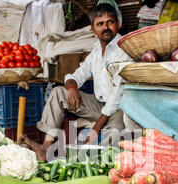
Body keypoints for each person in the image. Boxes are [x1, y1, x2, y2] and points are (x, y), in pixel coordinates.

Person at [22, 3, 133, 161]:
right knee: (59, 92)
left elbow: (117, 96)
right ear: (93, 29)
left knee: (113, 133)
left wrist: (96, 128)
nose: (106, 27)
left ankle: (106, 166)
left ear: (117, 24)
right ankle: (46, 146)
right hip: (99, 104)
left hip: (119, 108)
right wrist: (72, 87)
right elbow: (77, 74)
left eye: (110, 22)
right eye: (100, 24)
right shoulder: (96, 50)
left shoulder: (124, 49)